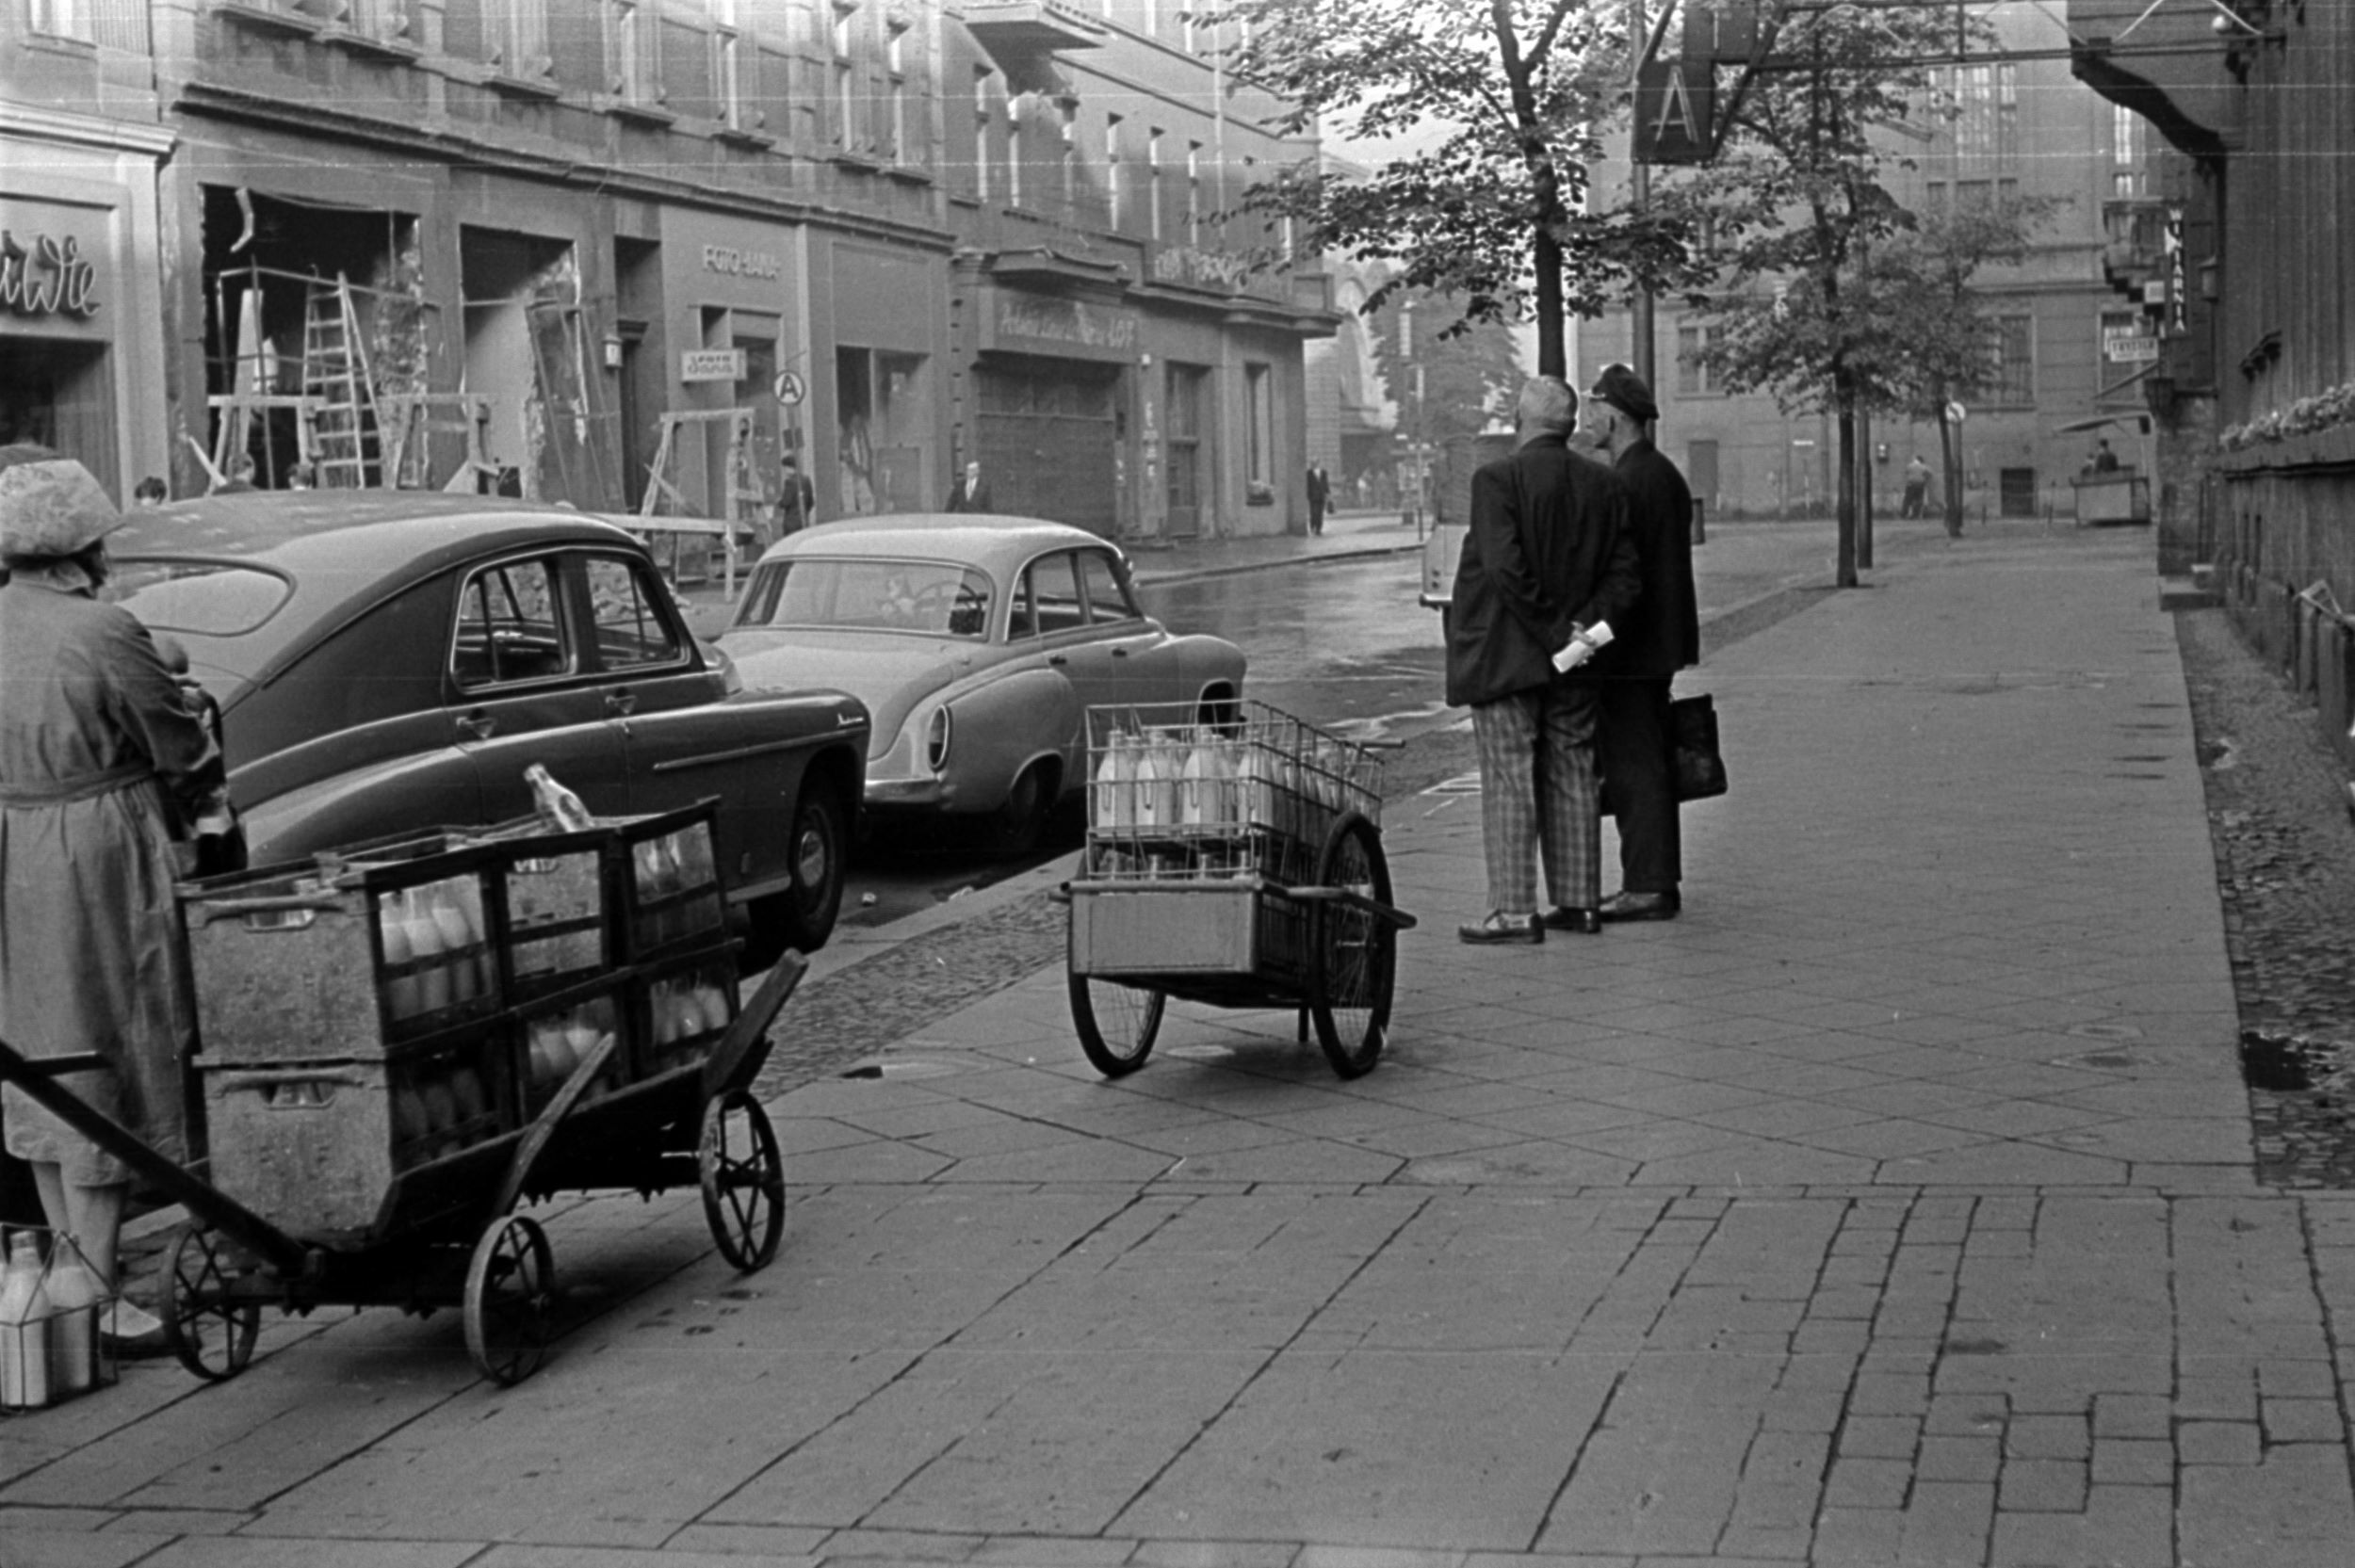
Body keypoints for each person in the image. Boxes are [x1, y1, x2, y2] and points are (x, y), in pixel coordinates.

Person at [0, 451, 229, 1350]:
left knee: (39, 1051)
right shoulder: (105, 631)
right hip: (96, 850)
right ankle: (94, 1293)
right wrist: (203, 789)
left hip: (13, 844)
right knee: (106, 1043)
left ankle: (65, 1271)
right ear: (82, 551)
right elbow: (178, 747)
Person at [1446, 378, 1641, 944]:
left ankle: (1513, 912)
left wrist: (1556, 636)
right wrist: (1582, 639)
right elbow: (1626, 579)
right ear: (1569, 423)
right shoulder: (1604, 484)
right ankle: (1579, 904)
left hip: (1508, 659)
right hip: (1578, 660)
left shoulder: (1496, 480)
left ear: (1520, 419)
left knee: (1509, 780)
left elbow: (1506, 572)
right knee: (1575, 771)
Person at [1572, 364, 1699, 924]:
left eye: (1592, 410)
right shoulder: (1661, 473)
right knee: (1644, 760)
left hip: (1631, 650)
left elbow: (1624, 580)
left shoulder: (1628, 480)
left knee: (1634, 766)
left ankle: (1647, 885)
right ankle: (1653, 880)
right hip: (1655, 646)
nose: (1586, 420)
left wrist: (1587, 641)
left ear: (1615, 417)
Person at [775, 453, 816, 536]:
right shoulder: (806, 480)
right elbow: (811, 502)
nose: (784, 471)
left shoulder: (789, 482)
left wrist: (779, 502)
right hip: (804, 521)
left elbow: (786, 502)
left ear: (789, 468)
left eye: (785, 468)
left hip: (791, 524)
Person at [1901, 452, 1930, 519]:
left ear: (1915, 460)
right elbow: (1929, 474)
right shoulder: (1923, 466)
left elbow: (1906, 472)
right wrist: (1925, 479)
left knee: (1908, 500)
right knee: (1919, 499)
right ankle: (1917, 514)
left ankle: (1906, 514)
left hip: (1911, 485)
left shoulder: (1910, 466)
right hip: (1920, 485)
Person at [1305, 461, 1330, 535]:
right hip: (1312, 496)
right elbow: (1307, 484)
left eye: (1316, 463)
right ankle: (1313, 526)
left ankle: (1318, 528)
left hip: (1321, 495)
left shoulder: (1324, 472)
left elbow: (1325, 483)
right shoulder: (1308, 473)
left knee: (1320, 513)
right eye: (1313, 463)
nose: (1314, 465)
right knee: (1313, 512)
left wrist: (1328, 492)